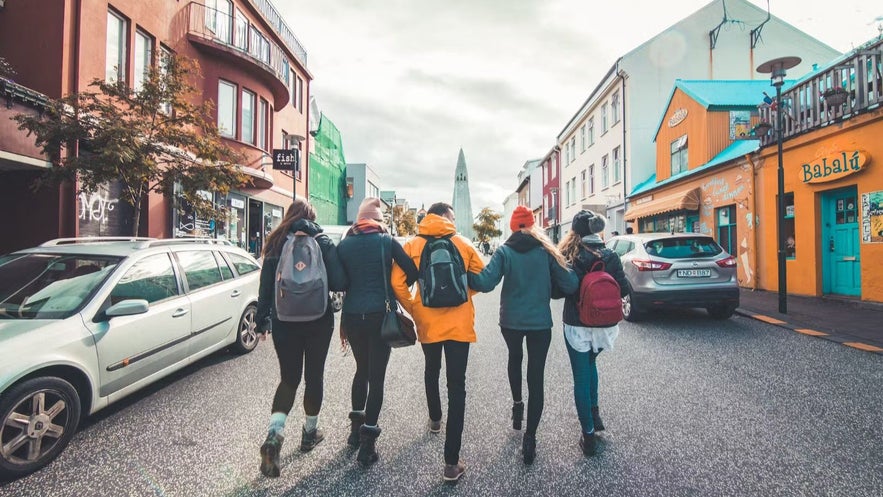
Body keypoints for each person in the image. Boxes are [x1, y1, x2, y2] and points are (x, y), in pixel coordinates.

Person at [467, 206, 578, 464]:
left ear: (513, 226)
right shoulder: (546, 251)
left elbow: (485, 282)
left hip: (511, 322)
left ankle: (517, 406)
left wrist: (463, 271)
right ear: (532, 225)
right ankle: (530, 437)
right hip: (539, 323)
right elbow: (570, 284)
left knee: (514, 358)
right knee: (536, 376)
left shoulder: (505, 251)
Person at [391, 202, 485, 482]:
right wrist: (461, 294)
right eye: (452, 216)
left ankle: (434, 419)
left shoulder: (413, 245)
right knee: (457, 386)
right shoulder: (463, 243)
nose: (454, 220)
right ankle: (451, 463)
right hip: (459, 325)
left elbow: (397, 282)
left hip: (428, 322)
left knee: (432, 369)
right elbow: (482, 279)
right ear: (444, 217)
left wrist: (414, 307)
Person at [254, 198, 346, 478]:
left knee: (289, 379)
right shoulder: (322, 240)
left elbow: (266, 286)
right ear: (312, 217)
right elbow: (341, 281)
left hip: (284, 321)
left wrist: (262, 322)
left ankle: (274, 436)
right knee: (314, 377)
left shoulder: (277, 241)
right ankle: (309, 433)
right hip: (319, 320)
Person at [336, 198, 419, 467]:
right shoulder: (386, 242)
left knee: (361, 371)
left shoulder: (345, 244)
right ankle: (367, 445)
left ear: (359, 219)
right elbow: (411, 270)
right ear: (378, 220)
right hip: (379, 316)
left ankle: (354, 433)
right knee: (377, 377)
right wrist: (392, 285)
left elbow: (339, 280)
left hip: (351, 317)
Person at [558, 210, 629, 457]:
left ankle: (588, 435)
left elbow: (562, 291)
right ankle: (595, 412)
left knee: (581, 375)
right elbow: (625, 288)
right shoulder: (611, 255)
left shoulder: (572, 256)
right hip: (605, 326)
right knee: (591, 365)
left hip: (578, 325)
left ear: (575, 232)